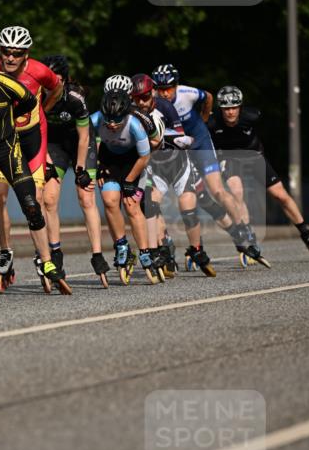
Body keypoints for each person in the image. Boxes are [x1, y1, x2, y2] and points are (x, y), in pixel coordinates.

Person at [0, 41, 71, 296]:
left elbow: (30, 106)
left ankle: (47, 261)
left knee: (31, 204)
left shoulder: (10, 86)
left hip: (7, 149)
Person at [207, 85, 309, 262]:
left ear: (240, 107)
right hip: (230, 159)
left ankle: (307, 234)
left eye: (234, 107)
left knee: (280, 195)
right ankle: (248, 236)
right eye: (226, 108)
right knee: (236, 191)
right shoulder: (212, 123)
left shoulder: (252, 116)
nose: (230, 112)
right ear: (220, 109)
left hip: (253, 156)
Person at [151, 64, 254, 255]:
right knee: (196, 197)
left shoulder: (187, 94)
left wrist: (204, 118)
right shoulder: (153, 101)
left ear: (177, 85)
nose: (164, 93)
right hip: (180, 150)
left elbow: (208, 97)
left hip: (200, 142)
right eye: (160, 88)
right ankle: (191, 245)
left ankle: (242, 229)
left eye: (169, 88)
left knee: (217, 190)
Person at [0, 26, 64, 284]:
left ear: (26, 54)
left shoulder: (39, 70)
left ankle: (42, 256)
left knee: (37, 199)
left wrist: (44, 108)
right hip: (3, 142)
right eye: (5, 52)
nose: (10, 58)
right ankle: (5, 253)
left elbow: (57, 88)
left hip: (34, 139)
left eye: (17, 53)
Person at [130, 74, 216, 277]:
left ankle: (196, 249)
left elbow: (181, 137)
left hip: (178, 164)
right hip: (155, 167)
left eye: (144, 97)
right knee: (151, 206)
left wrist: (165, 140)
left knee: (188, 210)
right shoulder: (131, 113)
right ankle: (162, 249)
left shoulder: (165, 107)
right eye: (136, 98)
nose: (141, 102)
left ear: (152, 93)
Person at [39, 54, 110, 286]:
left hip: (82, 143)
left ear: (64, 78)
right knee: (49, 199)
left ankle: (98, 254)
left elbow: (84, 137)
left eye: (55, 78)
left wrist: (81, 169)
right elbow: (35, 132)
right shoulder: (37, 95)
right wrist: (46, 159)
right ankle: (55, 253)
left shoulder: (75, 98)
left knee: (85, 196)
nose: (50, 83)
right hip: (54, 144)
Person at [91, 75, 164, 284]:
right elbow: (88, 142)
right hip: (110, 160)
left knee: (131, 205)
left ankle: (145, 252)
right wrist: (96, 167)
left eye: (117, 120)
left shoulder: (137, 121)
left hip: (135, 161)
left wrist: (131, 181)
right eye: (108, 120)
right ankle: (122, 246)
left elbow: (146, 154)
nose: (112, 124)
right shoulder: (96, 118)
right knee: (109, 200)